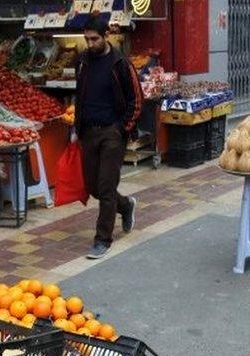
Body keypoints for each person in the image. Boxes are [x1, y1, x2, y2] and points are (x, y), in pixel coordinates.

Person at [73, 17, 143, 260]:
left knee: (105, 186)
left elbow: (136, 99)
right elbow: (79, 97)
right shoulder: (82, 62)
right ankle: (126, 206)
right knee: (93, 186)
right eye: (87, 39)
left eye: (94, 39)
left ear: (106, 36)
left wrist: (122, 128)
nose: (90, 43)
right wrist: (77, 128)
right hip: (88, 132)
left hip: (112, 133)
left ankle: (102, 239)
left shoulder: (120, 63)